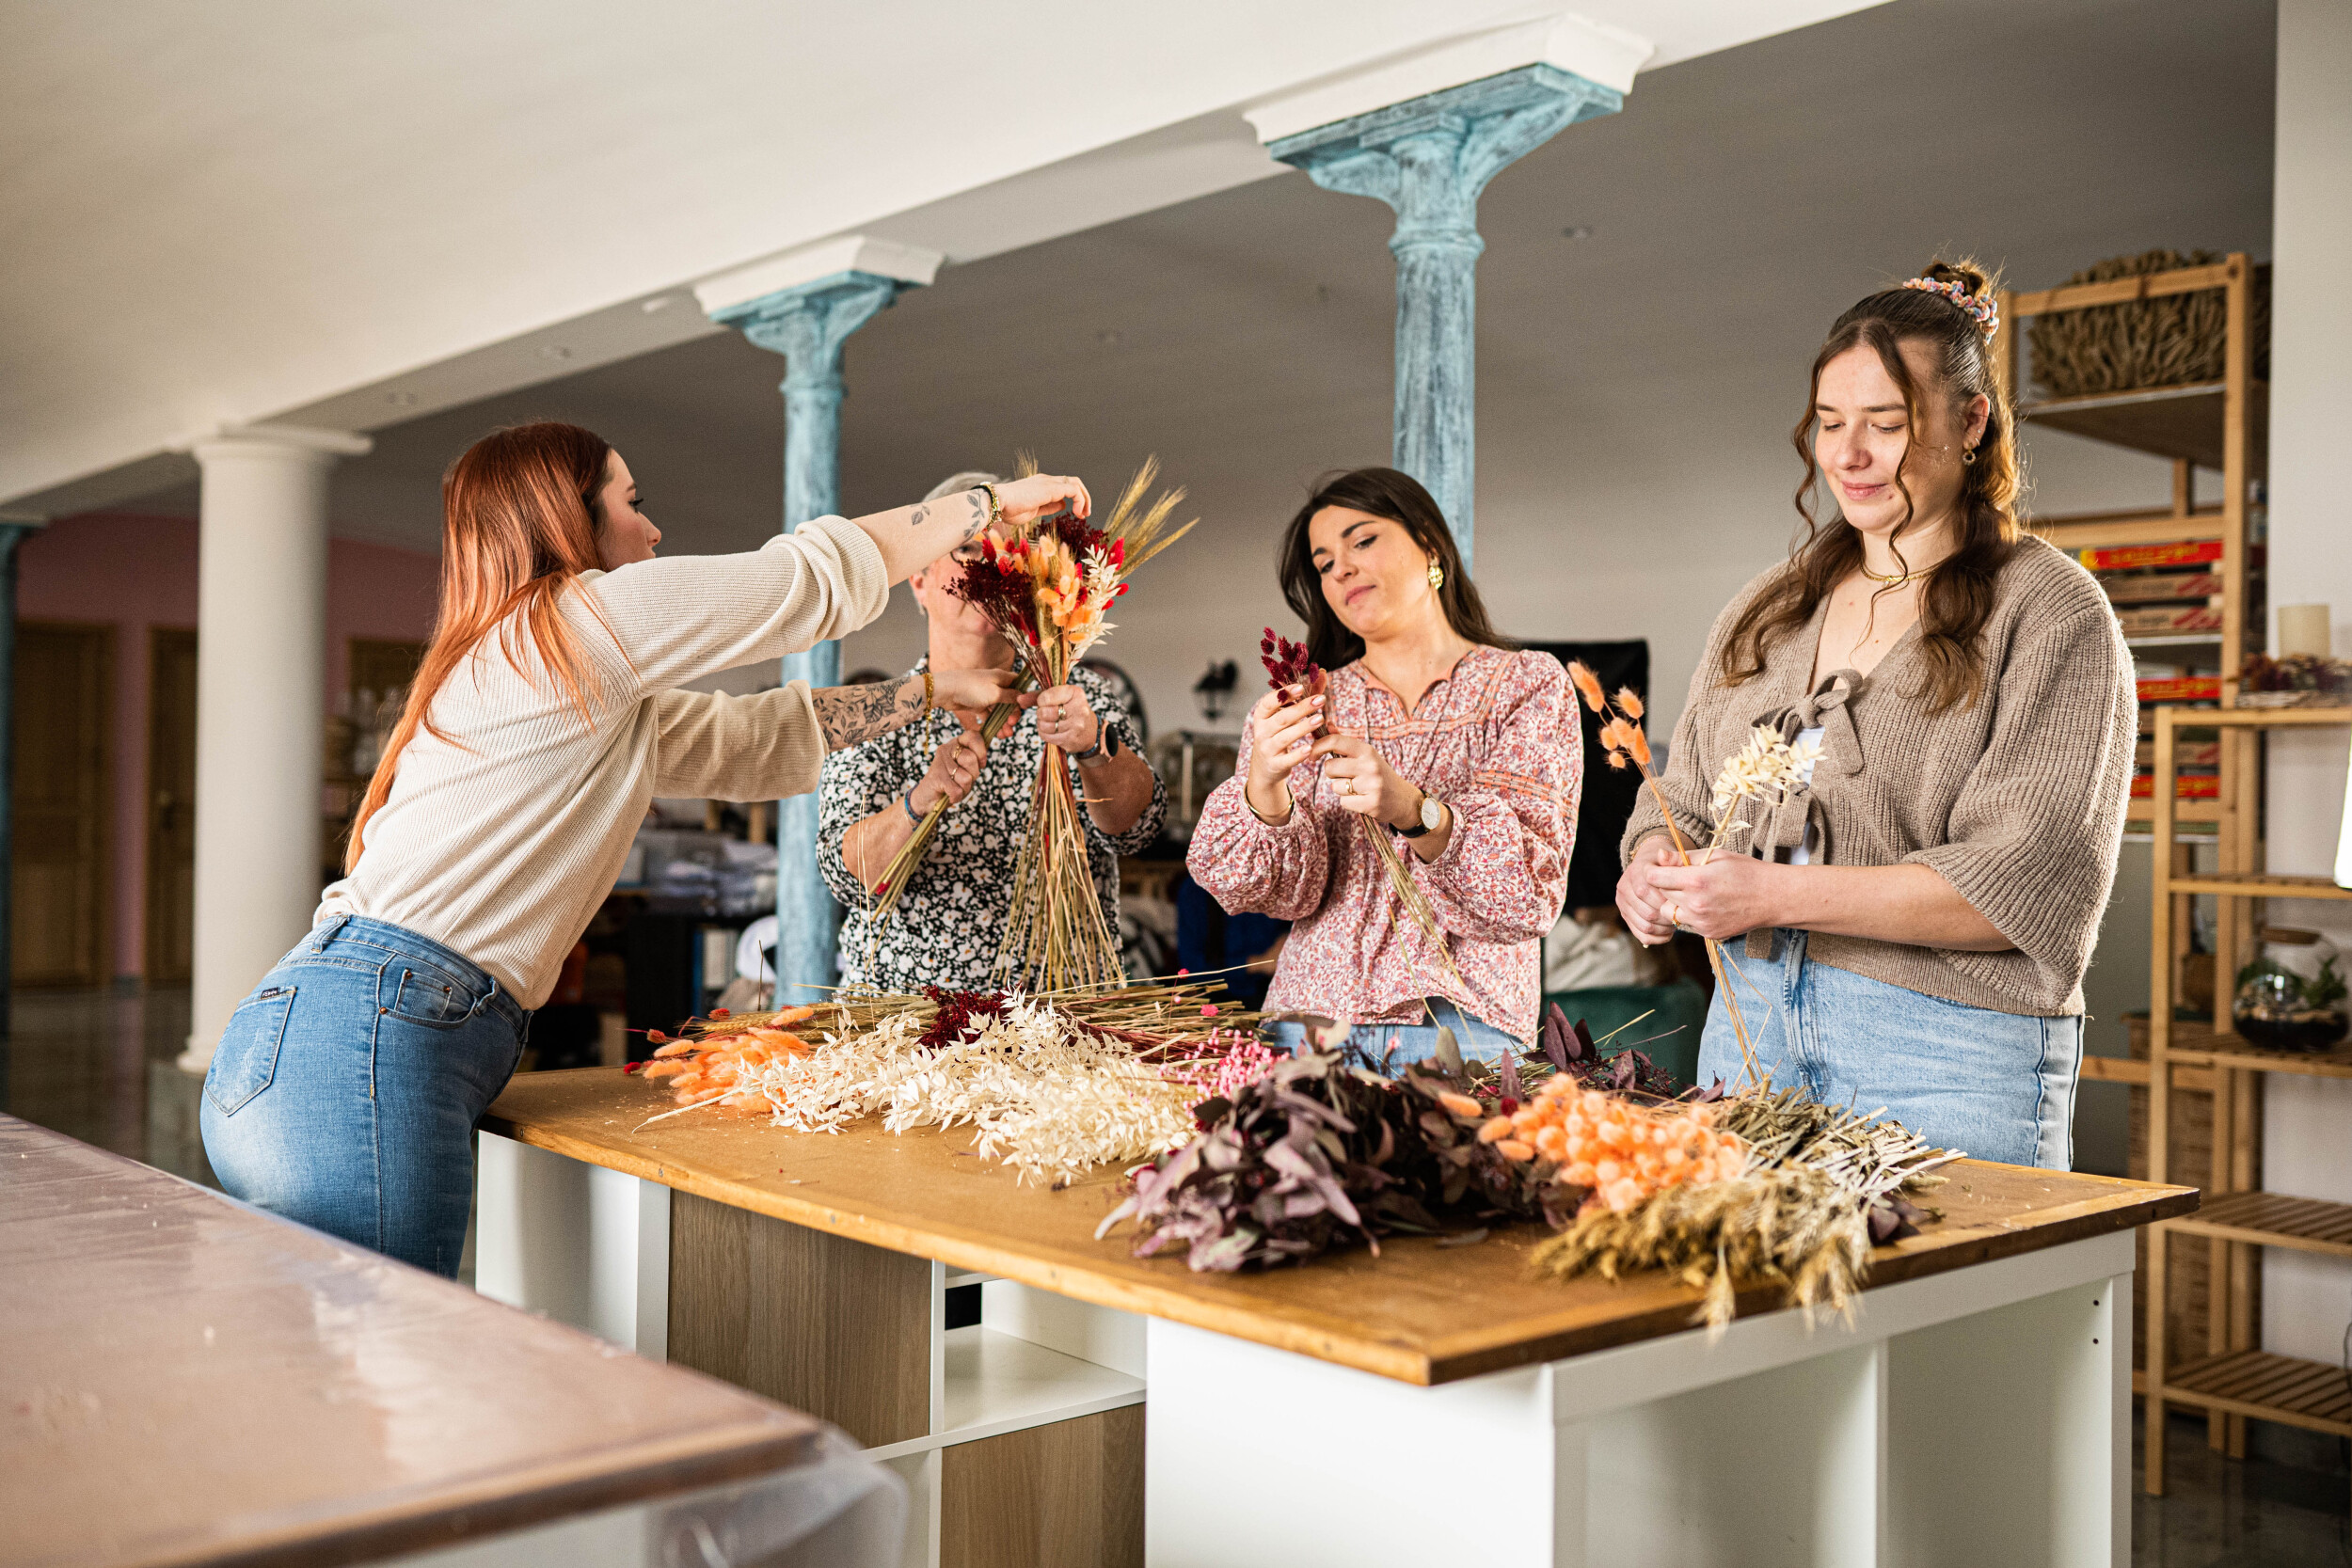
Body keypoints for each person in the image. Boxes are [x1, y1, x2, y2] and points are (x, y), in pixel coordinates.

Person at [200, 422, 1088, 1275]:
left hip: (331, 1036)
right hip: (367, 1036)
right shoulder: (577, 620)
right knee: (372, 1374)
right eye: (631, 501)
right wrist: (986, 505)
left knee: (334, 1377)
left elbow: (747, 740)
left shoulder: (568, 676)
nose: (653, 526)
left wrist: (927, 691)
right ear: (567, 521)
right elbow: (802, 581)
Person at [1616, 261, 2135, 1169]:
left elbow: (2025, 884)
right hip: (1748, 1035)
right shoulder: (1764, 608)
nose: (1848, 455)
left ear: (1971, 422)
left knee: (1951, 1312)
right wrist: (1652, 865)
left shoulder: (2051, 612)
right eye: (1830, 423)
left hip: (1945, 1054)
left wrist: (1771, 894)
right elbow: (1682, 800)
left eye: (1887, 425)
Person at [1187, 467, 1579, 1062]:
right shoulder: (1305, 702)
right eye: (1322, 563)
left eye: (1362, 540)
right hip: (1306, 1026)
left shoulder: (1525, 685)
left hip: (1459, 1030)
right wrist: (1263, 787)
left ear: (1429, 543)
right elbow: (1268, 893)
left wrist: (1412, 809)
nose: (1339, 567)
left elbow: (1525, 895)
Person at [819, 471, 1167, 990]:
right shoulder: (879, 712)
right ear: (917, 576)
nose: (988, 570)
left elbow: (1138, 828)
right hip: (908, 1028)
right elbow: (847, 876)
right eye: (966, 552)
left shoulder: (1078, 694)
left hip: (1065, 1018)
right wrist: (922, 799)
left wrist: (1093, 746)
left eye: (1009, 558)